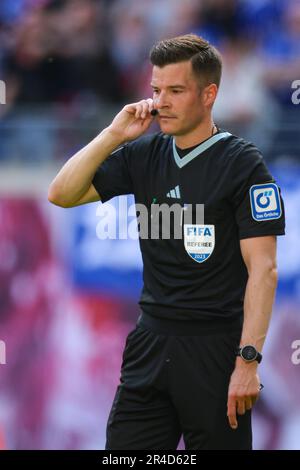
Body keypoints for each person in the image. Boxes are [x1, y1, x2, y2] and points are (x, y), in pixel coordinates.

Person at [48, 34, 285, 450]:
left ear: (209, 94)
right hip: (149, 343)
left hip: (215, 350)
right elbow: (61, 193)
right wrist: (113, 134)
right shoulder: (144, 156)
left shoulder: (242, 164)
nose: (162, 102)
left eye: (176, 91)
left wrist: (248, 361)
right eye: (156, 90)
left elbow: (263, 270)